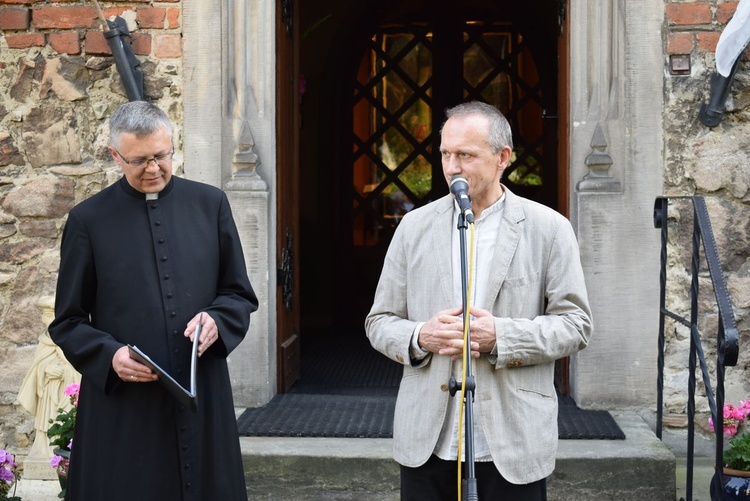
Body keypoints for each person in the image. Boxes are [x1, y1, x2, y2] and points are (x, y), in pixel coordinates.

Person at [365, 101, 593, 501]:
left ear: (502, 157)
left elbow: (575, 325)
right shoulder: (413, 228)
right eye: (445, 154)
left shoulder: (549, 229)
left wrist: (500, 336)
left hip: (513, 442)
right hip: (427, 441)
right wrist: (421, 336)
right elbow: (379, 321)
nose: (452, 166)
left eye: (465, 155)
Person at [49, 100, 258, 501]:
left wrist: (218, 318)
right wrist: (110, 355)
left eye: (162, 156)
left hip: (202, 398)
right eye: (139, 160)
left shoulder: (210, 204)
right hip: (126, 410)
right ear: (115, 155)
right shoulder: (88, 220)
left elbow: (238, 294)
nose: (153, 169)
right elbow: (68, 321)